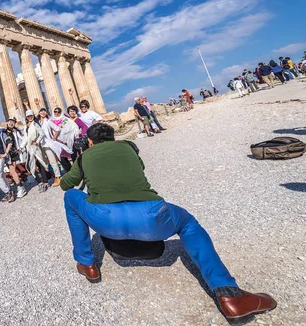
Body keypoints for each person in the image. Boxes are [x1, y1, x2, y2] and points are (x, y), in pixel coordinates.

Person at [59, 123, 277, 321]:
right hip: (151, 216)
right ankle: (228, 294)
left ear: (89, 141)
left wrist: (83, 161)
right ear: (113, 137)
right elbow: (139, 169)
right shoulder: (129, 147)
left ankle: (86, 263)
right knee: (188, 224)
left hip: (105, 220)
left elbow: (66, 184)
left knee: (70, 198)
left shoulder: (84, 156)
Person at [35, 100, 67, 187]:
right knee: (45, 162)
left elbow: (57, 129)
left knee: (52, 161)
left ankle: (58, 177)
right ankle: (55, 174)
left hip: (48, 144)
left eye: (44, 111)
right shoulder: (37, 122)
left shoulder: (48, 121)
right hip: (41, 145)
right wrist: (37, 105)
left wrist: (54, 138)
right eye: (41, 111)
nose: (43, 112)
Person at [20, 107, 50, 193]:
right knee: (30, 166)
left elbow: (42, 134)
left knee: (40, 164)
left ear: (33, 116)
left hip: (35, 148)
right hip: (28, 148)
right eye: (28, 116)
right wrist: (21, 147)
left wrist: (37, 141)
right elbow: (25, 138)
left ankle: (45, 182)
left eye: (31, 115)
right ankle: (40, 182)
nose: (30, 117)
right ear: (26, 117)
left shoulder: (36, 124)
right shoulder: (26, 126)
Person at [49, 107, 76, 173]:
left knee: (71, 156)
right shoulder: (50, 120)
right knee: (62, 158)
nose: (57, 113)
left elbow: (70, 128)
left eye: (58, 112)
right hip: (57, 142)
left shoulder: (65, 119)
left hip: (67, 140)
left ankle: (75, 171)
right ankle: (70, 172)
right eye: (55, 111)